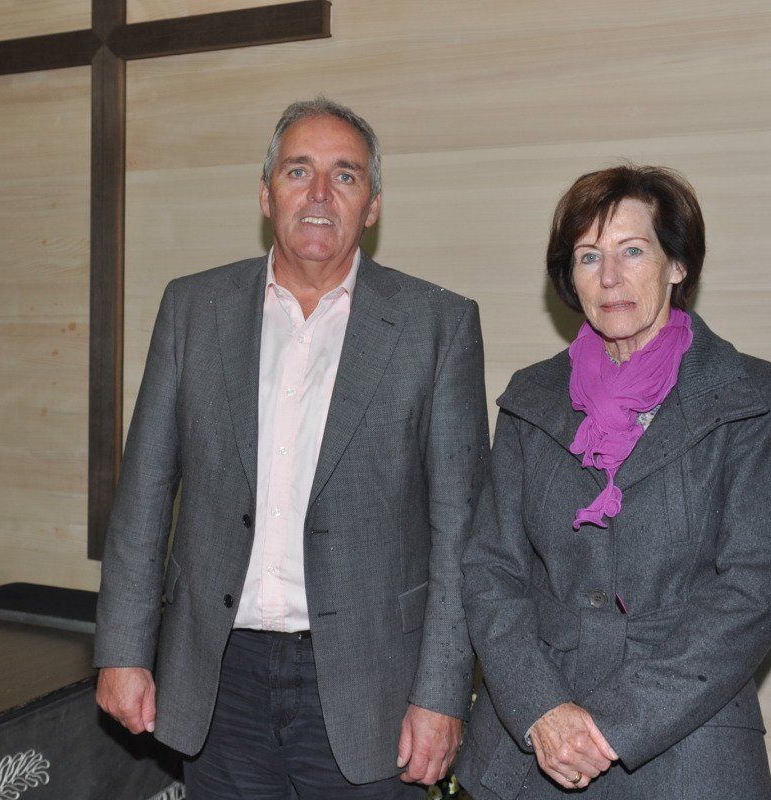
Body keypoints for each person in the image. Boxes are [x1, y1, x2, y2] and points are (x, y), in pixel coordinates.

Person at [94, 97, 489, 798]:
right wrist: (124, 650)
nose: (319, 194)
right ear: (265, 192)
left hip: (373, 688)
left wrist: (442, 693)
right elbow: (144, 495)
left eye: (346, 176)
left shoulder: (438, 325)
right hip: (219, 679)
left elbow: (462, 533)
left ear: (372, 206)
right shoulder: (193, 309)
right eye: (298, 171)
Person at [456, 165, 771, 799]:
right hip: (534, 746)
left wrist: (611, 725)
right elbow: (490, 568)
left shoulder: (754, 397)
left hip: (688, 748)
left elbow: (754, 589)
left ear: (677, 265)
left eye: (633, 251)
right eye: (589, 257)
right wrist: (541, 708)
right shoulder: (531, 396)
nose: (610, 277)